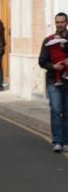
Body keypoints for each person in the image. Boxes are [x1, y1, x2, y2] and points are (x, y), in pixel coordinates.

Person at [38, 12, 68, 153]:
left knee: (67, 112)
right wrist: (53, 66)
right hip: (52, 80)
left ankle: (66, 142)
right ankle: (57, 141)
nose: (59, 24)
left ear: (66, 23)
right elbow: (41, 61)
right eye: (57, 22)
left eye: (62, 22)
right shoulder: (48, 40)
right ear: (55, 23)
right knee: (56, 111)